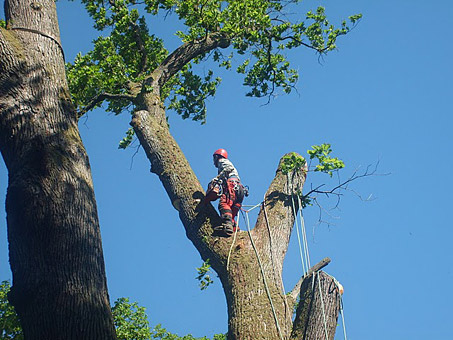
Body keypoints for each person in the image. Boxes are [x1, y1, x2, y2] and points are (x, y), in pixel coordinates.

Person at [208, 149, 245, 236]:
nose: (214, 162)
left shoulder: (222, 161)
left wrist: (216, 179)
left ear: (217, 157)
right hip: (239, 192)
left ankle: (227, 226)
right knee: (230, 213)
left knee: (223, 204)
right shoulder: (225, 169)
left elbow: (228, 168)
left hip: (232, 185)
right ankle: (235, 229)